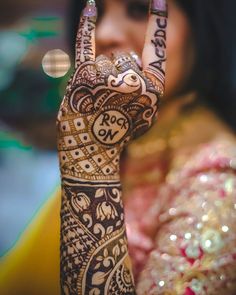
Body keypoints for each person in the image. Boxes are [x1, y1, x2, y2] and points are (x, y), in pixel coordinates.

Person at [0, 0, 235, 294]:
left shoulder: (216, 180)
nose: (104, 33)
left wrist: (90, 163)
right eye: (94, 14)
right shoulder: (129, 145)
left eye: (139, 10)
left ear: (203, 31)